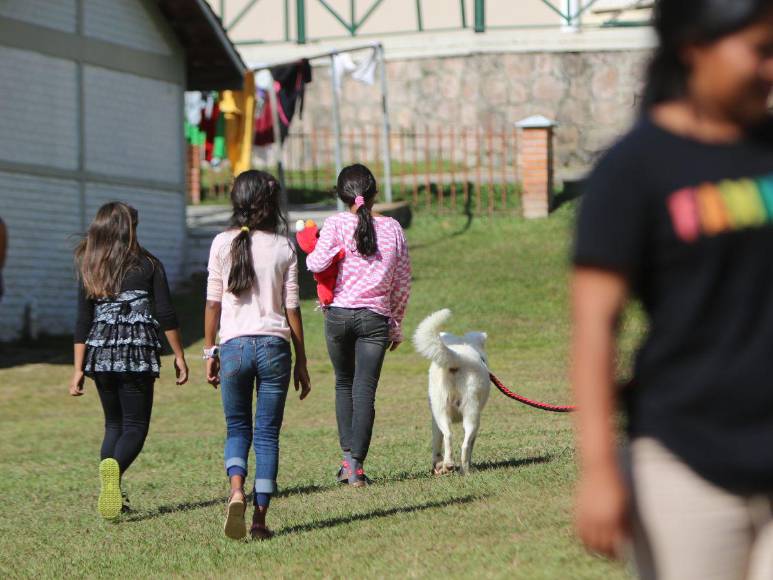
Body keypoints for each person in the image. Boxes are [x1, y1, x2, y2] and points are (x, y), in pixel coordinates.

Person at [571, 1, 773, 578]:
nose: (771, 68)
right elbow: (594, 328)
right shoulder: (633, 169)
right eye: (759, 51)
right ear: (694, 48)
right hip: (685, 465)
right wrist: (599, 469)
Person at [204, 170, 311, 540]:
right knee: (267, 434)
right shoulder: (284, 248)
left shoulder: (220, 243)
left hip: (233, 347)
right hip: (274, 348)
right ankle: (260, 519)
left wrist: (209, 352)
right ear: (271, 205)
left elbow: (212, 303)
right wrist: (302, 361)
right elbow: (292, 308)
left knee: (237, 428)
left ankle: (236, 491)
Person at [69, 202, 188, 521]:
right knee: (135, 426)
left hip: (100, 352)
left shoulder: (89, 264)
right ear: (129, 228)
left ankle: (113, 489)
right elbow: (166, 313)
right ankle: (115, 470)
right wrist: (178, 355)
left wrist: (78, 369)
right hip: (136, 352)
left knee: (113, 425)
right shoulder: (148, 264)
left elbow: (83, 320)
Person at [307, 164, 411, 487]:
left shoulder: (336, 224)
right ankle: (357, 467)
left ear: (342, 196)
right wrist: (395, 323)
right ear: (375, 193)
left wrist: (331, 246)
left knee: (343, 383)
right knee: (365, 389)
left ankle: (346, 459)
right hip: (375, 318)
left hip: (337, 315)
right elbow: (402, 282)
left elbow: (314, 263)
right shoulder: (393, 228)